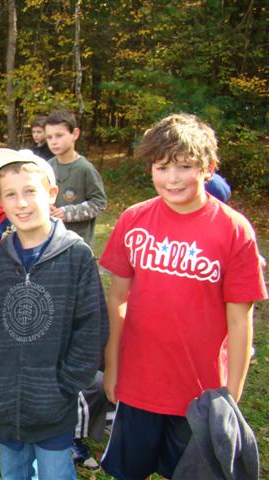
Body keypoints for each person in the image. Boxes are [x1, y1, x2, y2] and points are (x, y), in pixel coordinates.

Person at [99, 113, 267, 480]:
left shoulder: (234, 230)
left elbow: (240, 320)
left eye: (185, 166)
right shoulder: (133, 220)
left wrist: (231, 393)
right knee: (130, 471)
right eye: (162, 167)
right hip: (139, 382)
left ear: (208, 168)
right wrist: (112, 366)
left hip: (200, 390)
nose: (172, 178)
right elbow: (117, 299)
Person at [0, 148, 108, 480]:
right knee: (13, 473)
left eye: (30, 191)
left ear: (51, 193)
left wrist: (66, 384)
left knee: (54, 472)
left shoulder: (76, 256)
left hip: (54, 404)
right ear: (0, 202)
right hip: (5, 401)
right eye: (10, 195)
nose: (21, 203)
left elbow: (91, 328)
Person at [45, 109, 107, 246]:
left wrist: (67, 213)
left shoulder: (85, 169)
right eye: (49, 137)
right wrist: (45, 207)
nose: (53, 142)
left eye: (59, 135)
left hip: (78, 241)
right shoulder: (47, 167)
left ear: (75, 134)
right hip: (51, 240)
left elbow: (99, 203)